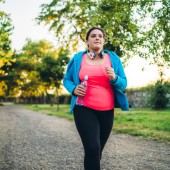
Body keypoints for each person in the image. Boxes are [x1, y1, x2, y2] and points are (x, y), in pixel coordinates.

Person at [63, 27, 129, 170]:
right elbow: (67, 80)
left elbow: (123, 83)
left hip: (107, 111)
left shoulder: (113, 58)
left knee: (96, 151)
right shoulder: (77, 59)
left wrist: (114, 78)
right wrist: (74, 89)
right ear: (87, 41)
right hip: (83, 108)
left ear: (104, 40)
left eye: (100, 36)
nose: (97, 38)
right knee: (92, 147)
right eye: (93, 36)